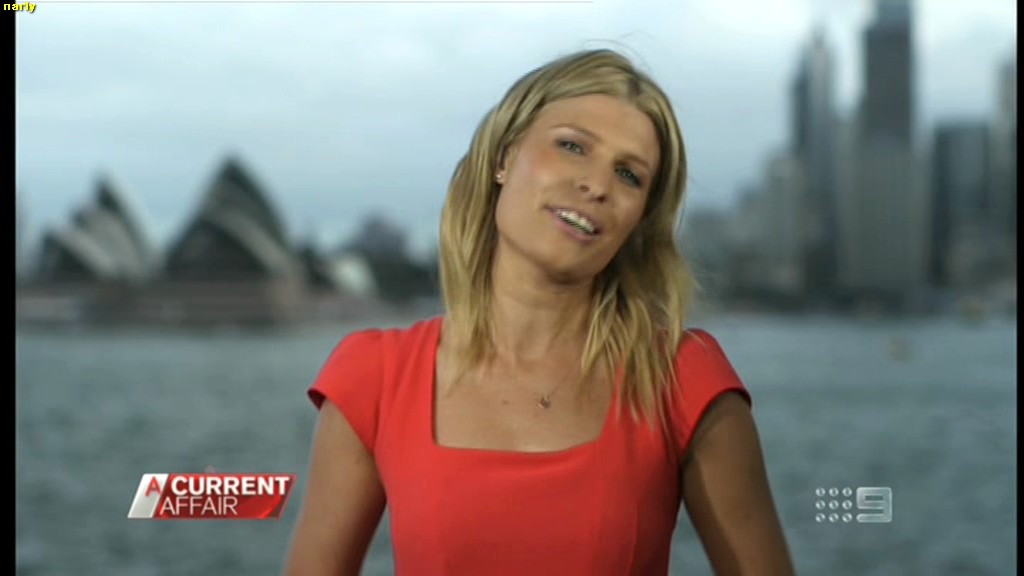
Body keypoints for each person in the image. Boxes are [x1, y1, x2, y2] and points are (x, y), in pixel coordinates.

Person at [284, 48, 796, 576]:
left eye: (628, 175)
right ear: (504, 157)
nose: (597, 185)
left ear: (639, 220)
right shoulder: (374, 377)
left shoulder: (683, 378)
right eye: (572, 146)